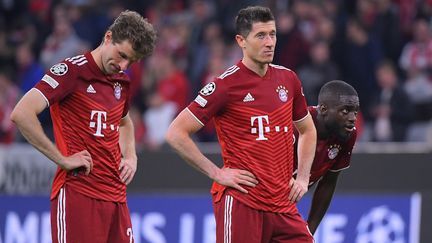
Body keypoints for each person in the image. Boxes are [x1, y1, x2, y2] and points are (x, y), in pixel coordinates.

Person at [166, 6, 317, 243]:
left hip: (283, 205)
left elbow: (307, 130)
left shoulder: (288, 79)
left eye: (273, 34)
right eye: (261, 35)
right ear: (241, 41)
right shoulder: (225, 85)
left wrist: (303, 178)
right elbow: (176, 133)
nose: (269, 42)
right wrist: (216, 173)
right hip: (243, 202)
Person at [10, 10, 156, 243]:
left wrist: (131, 156)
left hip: (116, 197)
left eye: (132, 61)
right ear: (108, 37)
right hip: (79, 194)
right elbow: (21, 113)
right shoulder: (71, 71)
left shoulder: (121, 82)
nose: (123, 65)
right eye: (121, 55)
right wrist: (62, 159)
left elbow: (124, 121)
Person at [293, 80, 360, 234]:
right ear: (323, 109)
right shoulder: (294, 125)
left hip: (283, 206)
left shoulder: (348, 134)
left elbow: (328, 183)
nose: (352, 118)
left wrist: (310, 229)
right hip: (254, 199)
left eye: (355, 112)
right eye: (345, 111)